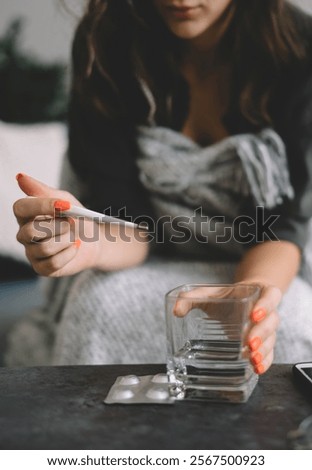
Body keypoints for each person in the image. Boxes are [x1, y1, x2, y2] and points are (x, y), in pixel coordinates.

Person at [9, 0, 312, 372]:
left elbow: (286, 225)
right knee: (97, 302)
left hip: (270, 256)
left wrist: (250, 294)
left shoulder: (301, 48)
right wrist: (86, 242)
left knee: (292, 322)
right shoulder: (106, 41)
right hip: (147, 249)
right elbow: (128, 220)